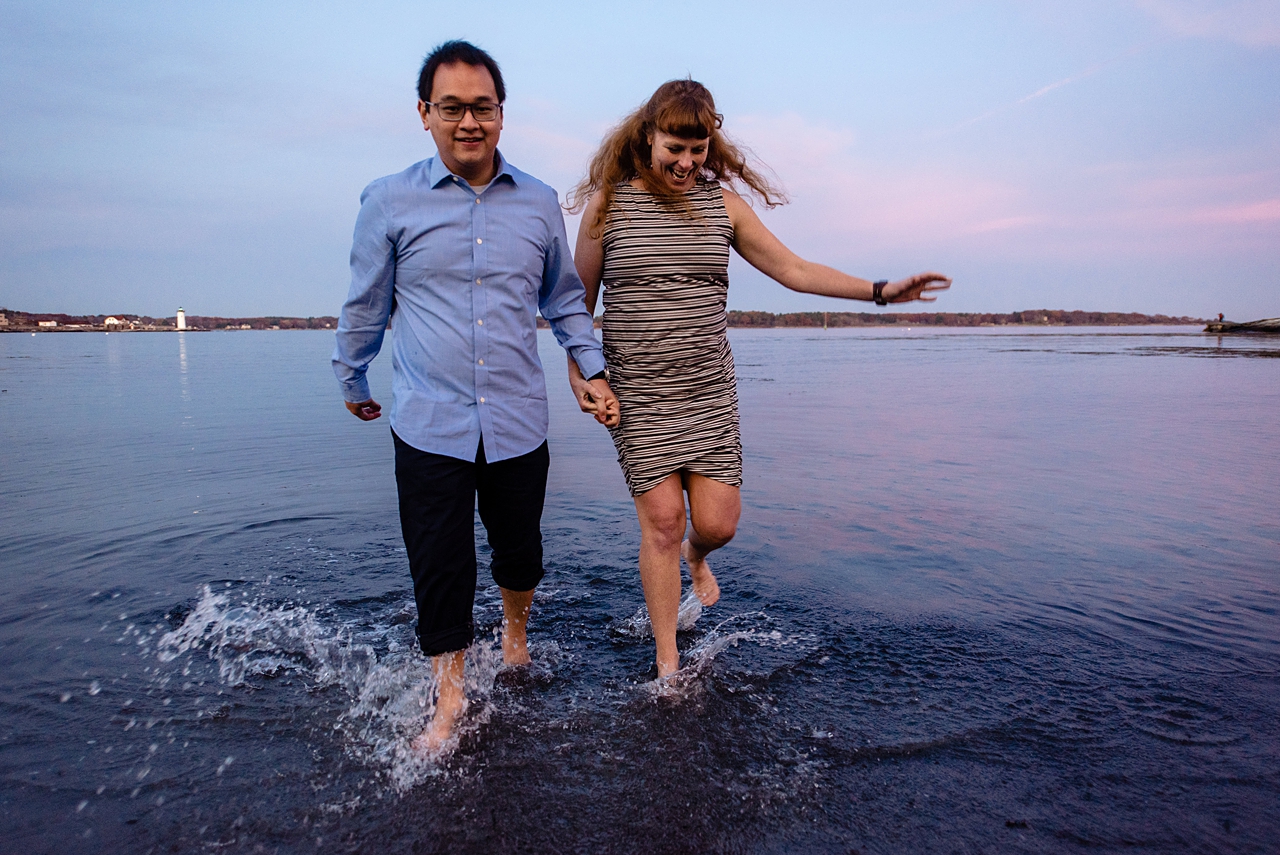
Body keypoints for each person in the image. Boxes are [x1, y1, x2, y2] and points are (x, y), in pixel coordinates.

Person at [566, 79, 950, 678]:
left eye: (699, 149)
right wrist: (583, 378)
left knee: (718, 523)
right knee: (662, 524)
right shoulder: (608, 206)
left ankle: (698, 556)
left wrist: (879, 292)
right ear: (648, 137)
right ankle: (668, 665)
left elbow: (793, 270)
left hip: (708, 391)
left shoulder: (724, 207)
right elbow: (575, 307)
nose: (687, 162)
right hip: (638, 393)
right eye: (676, 147)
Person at [332, 40, 619, 753]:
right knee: (441, 560)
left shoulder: (539, 202)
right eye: (452, 108)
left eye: (482, 108)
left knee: (520, 552)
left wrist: (590, 365)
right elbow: (366, 302)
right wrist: (352, 374)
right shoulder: (388, 200)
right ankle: (451, 691)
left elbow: (564, 299)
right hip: (429, 420)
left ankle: (514, 633)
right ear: (425, 113)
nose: (469, 122)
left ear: (501, 113)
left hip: (519, 417)